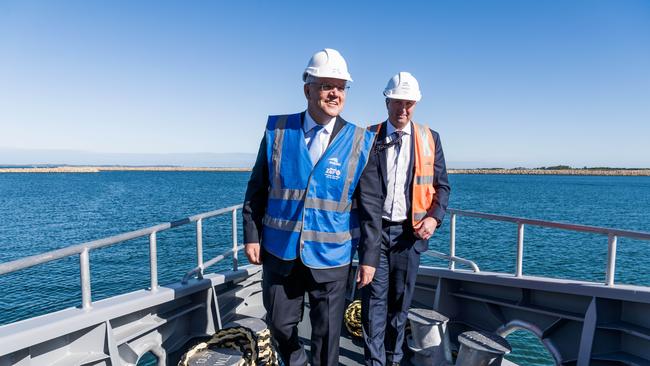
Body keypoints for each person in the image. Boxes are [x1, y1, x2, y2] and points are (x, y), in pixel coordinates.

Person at [242, 48, 382, 366]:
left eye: (341, 87)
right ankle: (295, 358)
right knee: (278, 325)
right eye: (326, 85)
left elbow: (372, 208)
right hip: (281, 253)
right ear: (308, 89)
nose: (334, 93)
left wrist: (369, 259)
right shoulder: (278, 132)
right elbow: (256, 189)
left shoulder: (360, 142)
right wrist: (251, 234)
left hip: (332, 260)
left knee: (327, 338)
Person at [361, 72, 450, 366]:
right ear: (386, 101)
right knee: (374, 302)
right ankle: (374, 361)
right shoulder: (368, 136)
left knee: (400, 303)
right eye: (397, 102)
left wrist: (434, 218)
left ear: (416, 104)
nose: (403, 110)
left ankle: (393, 359)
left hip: (408, 237)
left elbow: (442, 187)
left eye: (409, 104)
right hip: (375, 234)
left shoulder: (429, 138)